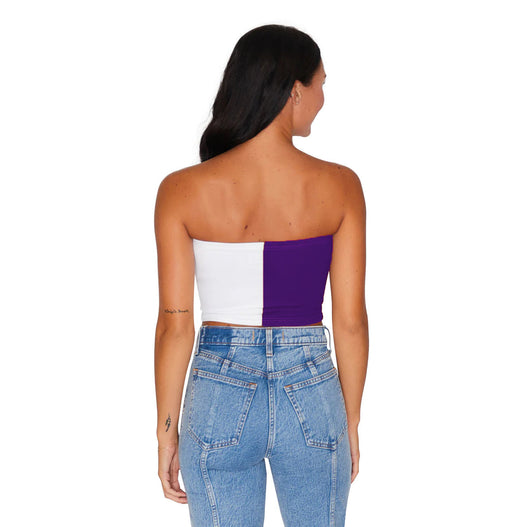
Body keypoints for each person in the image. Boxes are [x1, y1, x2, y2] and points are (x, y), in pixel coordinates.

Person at [153, 23, 369, 526]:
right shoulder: (340, 186)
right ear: (295, 90)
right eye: (321, 84)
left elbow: (174, 325)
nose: (323, 99)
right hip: (311, 388)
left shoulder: (181, 190)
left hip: (217, 390)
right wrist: (350, 420)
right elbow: (351, 321)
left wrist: (166, 432)